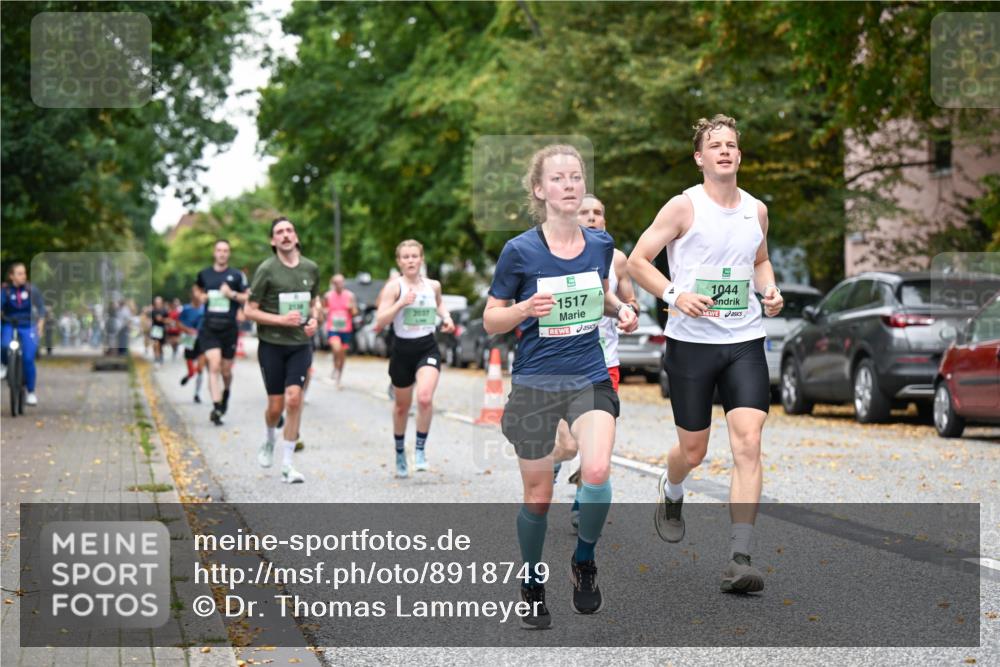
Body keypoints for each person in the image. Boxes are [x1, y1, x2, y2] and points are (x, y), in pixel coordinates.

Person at [627, 114, 784, 594]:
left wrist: (770, 289)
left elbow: (759, 260)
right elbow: (637, 261)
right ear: (700, 157)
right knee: (693, 450)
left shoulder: (755, 210)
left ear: (739, 154)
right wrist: (675, 296)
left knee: (748, 442)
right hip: (692, 344)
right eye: (714, 145)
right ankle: (672, 488)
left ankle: (740, 556)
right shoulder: (683, 207)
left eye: (731, 144)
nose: (724, 151)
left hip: (744, 341)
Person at [483, 145, 637, 628]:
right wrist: (524, 310)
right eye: (558, 178)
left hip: (588, 374)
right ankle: (531, 578)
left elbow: (603, 295)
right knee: (538, 497)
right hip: (534, 382)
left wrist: (622, 310)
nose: (570, 184)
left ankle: (583, 560)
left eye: (576, 176)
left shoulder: (600, 244)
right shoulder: (520, 251)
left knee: (595, 471)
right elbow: (491, 319)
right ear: (540, 190)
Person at [552, 194, 639, 530]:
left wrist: (629, 313)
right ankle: (555, 462)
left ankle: (579, 505)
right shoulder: (556, 255)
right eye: (584, 212)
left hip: (606, 363)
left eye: (597, 213)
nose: (591, 217)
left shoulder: (617, 259)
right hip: (564, 364)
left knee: (596, 445)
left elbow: (628, 299)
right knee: (568, 445)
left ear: (604, 219)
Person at [244, 217, 321, 484]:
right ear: (273, 241)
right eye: (279, 232)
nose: (285, 235)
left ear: (296, 237)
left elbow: (315, 301)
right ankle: (268, 440)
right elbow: (249, 310)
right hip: (272, 345)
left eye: (289, 230)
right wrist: (280, 320)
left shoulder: (311, 268)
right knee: (275, 407)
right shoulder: (267, 270)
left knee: (294, 399)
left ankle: (288, 465)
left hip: (300, 345)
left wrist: (314, 320)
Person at [375, 240, 455, 478]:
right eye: (405, 257)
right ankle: (400, 451)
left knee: (424, 398)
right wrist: (401, 303)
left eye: (414, 256)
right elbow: (380, 320)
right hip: (402, 351)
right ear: (399, 262)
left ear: (421, 259)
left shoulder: (433, 285)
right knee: (401, 407)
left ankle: (420, 451)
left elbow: (439, 304)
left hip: (427, 348)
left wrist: (447, 318)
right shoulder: (394, 287)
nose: (410, 260)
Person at [196, 240, 249, 426]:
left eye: (226, 251)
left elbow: (248, 297)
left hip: (229, 328)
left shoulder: (236, 275)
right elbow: (196, 292)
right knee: (214, 365)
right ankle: (217, 407)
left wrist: (231, 295)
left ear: (229, 254)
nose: (222, 254)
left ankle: (226, 393)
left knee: (226, 371)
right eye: (219, 250)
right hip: (209, 327)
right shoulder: (204, 274)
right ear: (214, 253)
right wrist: (200, 297)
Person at [1, 262, 46, 405]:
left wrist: (40, 325)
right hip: (10, 324)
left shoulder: (32, 289)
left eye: (24, 273)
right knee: (3, 345)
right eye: (19, 273)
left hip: (27, 326)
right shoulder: (5, 290)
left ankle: (31, 392)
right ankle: (4, 365)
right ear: (11, 276)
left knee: (28, 358)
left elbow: (41, 309)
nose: (23, 276)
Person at [323, 273, 359, 388]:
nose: (339, 284)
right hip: (333, 328)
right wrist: (324, 312)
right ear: (333, 284)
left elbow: (355, 313)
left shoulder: (350, 295)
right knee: (336, 348)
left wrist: (351, 308)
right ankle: (335, 366)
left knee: (342, 355)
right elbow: (324, 309)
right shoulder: (327, 296)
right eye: (336, 282)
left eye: (341, 282)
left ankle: (339, 376)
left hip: (346, 329)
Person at [178, 285, 207, 403]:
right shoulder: (186, 309)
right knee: (191, 370)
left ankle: (197, 394)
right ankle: (189, 375)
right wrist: (187, 330)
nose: (198, 294)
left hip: (201, 339)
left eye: (200, 292)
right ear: (192, 295)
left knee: (200, 368)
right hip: (188, 339)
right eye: (195, 292)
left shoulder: (205, 308)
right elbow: (178, 324)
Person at [149, 296, 169, 366]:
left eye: (159, 302)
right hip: (155, 329)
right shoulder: (153, 311)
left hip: (162, 329)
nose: (157, 304)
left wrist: (162, 319)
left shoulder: (165, 310)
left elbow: (168, 320)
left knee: (160, 345)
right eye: (156, 302)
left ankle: (161, 356)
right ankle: (156, 358)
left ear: (161, 303)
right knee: (155, 344)